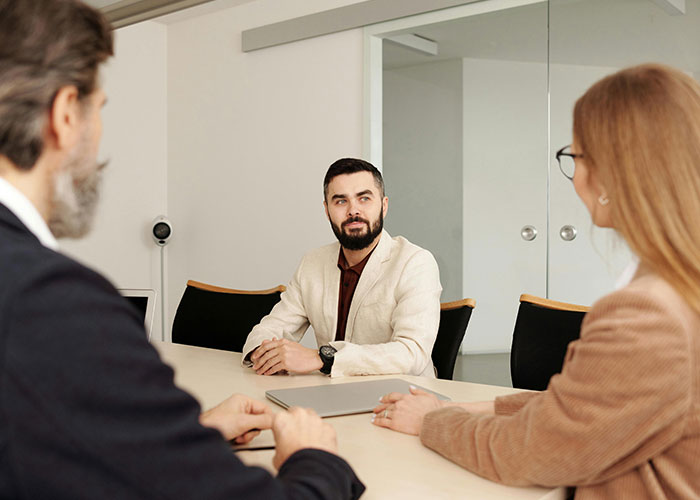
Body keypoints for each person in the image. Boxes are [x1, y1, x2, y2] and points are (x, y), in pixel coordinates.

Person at [0, 1, 364, 498]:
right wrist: (315, 459)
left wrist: (183, 434)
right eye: (99, 111)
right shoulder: (56, 303)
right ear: (65, 115)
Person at [371, 64, 700, 499]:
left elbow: (535, 452)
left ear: (611, 171)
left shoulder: (648, 312)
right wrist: (470, 407)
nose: (575, 175)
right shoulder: (676, 283)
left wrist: (431, 421)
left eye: (575, 156)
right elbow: (587, 410)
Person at [242, 158, 442, 377]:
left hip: (401, 399)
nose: (353, 211)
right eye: (340, 201)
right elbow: (269, 329)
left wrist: (323, 358)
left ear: (384, 206)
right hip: (330, 394)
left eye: (364, 198)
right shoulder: (312, 263)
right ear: (327, 211)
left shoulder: (415, 263)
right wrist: (263, 353)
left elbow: (411, 354)